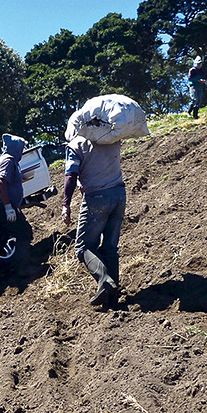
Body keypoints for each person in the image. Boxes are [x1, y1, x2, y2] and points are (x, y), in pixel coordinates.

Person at [61, 130, 125, 308]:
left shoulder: (76, 145)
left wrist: (66, 204)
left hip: (97, 198)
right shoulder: (111, 138)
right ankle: (113, 297)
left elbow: (71, 175)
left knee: (83, 247)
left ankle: (104, 281)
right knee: (110, 247)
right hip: (120, 194)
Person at [0, 134, 33, 283]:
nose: (22, 152)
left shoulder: (7, 160)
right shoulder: (8, 160)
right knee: (24, 232)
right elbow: (1, 183)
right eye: (21, 149)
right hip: (0, 205)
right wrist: (8, 207)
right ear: (16, 148)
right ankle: (23, 269)